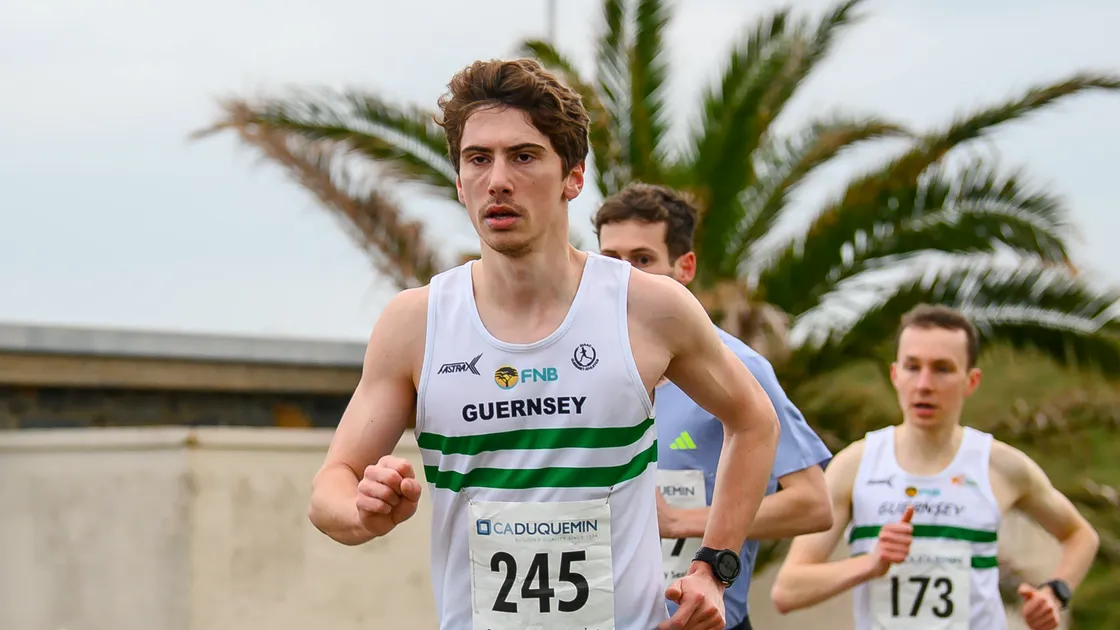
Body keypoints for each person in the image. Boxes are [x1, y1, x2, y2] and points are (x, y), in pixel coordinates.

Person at [306, 58, 782, 630]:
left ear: (573, 178)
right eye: (478, 159)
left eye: (524, 156)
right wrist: (363, 513)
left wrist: (714, 564)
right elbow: (331, 486)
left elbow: (755, 423)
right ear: (460, 181)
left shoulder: (649, 307)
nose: (498, 179)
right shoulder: (417, 322)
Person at [593, 182, 835, 630]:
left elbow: (814, 505)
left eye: (642, 260)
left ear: (684, 267)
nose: (624, 277)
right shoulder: (581, 368)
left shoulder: (737, 368)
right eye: (610, 261)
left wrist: (683, 521)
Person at [770, 304, 1101, 630]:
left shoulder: (1001, 466)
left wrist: (1056, 592)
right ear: (895, 375)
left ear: (971, 381)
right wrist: (871, 564)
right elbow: (788, 590)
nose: (924, 384)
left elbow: (1080, 536)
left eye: (942, 369)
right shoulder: (856, 465)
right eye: (913, 367)